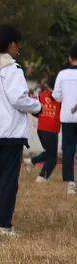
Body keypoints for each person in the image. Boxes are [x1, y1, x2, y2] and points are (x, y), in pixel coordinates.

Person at [0, 25, 40, 237]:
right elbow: (18, 99)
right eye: (17, 43)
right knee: (8, 181)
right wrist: (37, 107)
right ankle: (2, 226)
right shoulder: (12, 69)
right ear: (11, 44)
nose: (18, 48)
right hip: (10, 134)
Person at [26, 76, 61, 183]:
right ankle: (41, 177)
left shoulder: (41, 95)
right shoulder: (60, 98)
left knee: (50, 153)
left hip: (41, 129)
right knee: (53, 157)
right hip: (51, 129)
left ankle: (32, 161)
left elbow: (34, 109)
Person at [53, 45, 77, 196]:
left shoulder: (62, 74)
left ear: (70, 58)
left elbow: (56, 96)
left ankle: (70, 182)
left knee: (68, 149)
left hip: (67, 117)